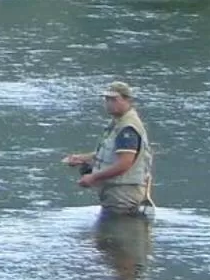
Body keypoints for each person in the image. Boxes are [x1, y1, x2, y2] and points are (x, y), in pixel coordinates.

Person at [63, 81, 154, 217]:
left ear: (127, 100)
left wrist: (93, 177)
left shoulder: (127, 127)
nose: (108, 103)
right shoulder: (118, 123)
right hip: (116, 193)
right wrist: (83, 158)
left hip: (122, 195)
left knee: (117, 235)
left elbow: (125, 163)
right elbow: (111, 154)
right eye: (106, 99)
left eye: (114, 99)